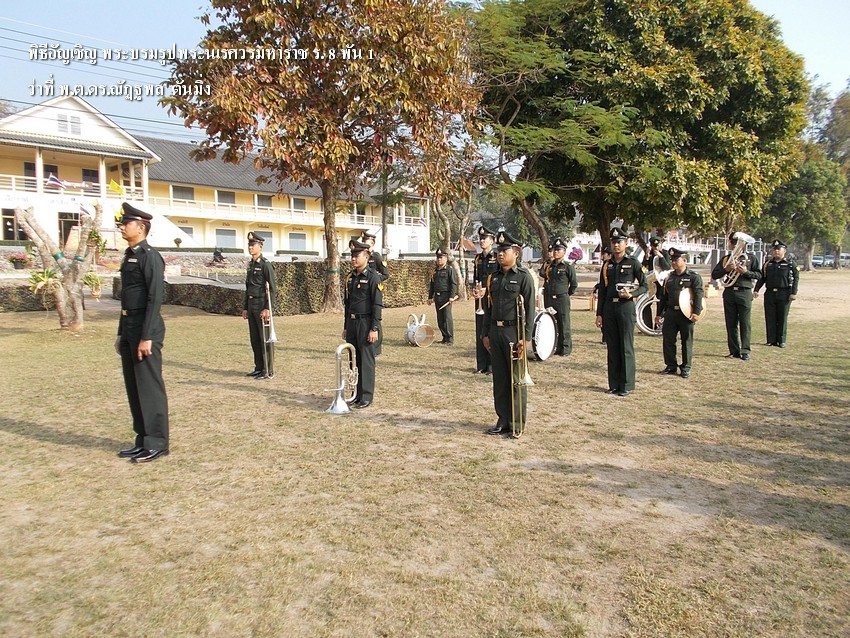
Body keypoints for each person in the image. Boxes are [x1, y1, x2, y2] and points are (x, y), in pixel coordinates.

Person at [114, 202, 169, 463]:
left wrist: (146, 336)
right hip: (129, 327)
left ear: (141, 227)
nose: (122, 227)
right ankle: (143, 439)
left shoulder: (150, 256)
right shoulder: (129, 255)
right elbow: (127, 299)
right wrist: (120, 333)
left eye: (127, 223)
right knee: (134, 386)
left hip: (146, 329)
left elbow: (154, 298)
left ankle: (157, 442)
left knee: (149, 387)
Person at [482, 230, 536, 436]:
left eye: (505, 250)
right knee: (500, 380)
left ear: (516, 253)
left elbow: (530, 309)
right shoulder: (493, 278)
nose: (500, 254)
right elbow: (488, 308)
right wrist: (485, 334)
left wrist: (526, 337)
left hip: (514, 332)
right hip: (495, 331)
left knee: (516, 379)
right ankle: (502, 419)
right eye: (499, 250)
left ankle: (516, 423)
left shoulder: (523, 277)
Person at [595, 227, 648, 396]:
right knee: (612, 347)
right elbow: (602, 291)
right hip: (609, 308)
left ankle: (626, 385)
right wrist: (599, 314)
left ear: (626, 243)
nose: (616, 245)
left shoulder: (633, 263)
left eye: (619, 242)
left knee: (626, 346)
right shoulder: (607, 265)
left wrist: (632, 294)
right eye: (613, 242)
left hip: (626, 307)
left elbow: (645, 285)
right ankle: (614, 384)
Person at [343, 239, 384, 408]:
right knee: (354, 360)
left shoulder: (373, 277)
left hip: (366, 323)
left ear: (366, 256)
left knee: (366, 361)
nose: (353, 259)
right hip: (352, 323)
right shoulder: (350, 278)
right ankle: (356, 394)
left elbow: (377, 305)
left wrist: (374, 328)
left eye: (357, 255)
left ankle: (366, 396)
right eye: (352, 255)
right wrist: (346, 327)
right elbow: (348, 305)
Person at [711, 233, 761, 360]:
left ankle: (745, 351)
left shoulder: (751, 258)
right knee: (731, 323)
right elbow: (715, 275)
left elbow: (759, 275)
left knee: (745, 323)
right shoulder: (726, 259)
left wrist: (746, 272)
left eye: (737, 243)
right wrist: (726, 270)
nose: (734, 245)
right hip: (729, 292)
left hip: (744, 292)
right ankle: (734, 351)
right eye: (733, 242)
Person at [658, 248, 704, 378]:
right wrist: (659, 314)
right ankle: (671, 365)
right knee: (668, 340)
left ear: (684, 260)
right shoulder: (669, 277)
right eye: (672, 260)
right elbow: (663, 297)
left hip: (686, 313)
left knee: (686, 341)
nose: (673, 262)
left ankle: (685, 367)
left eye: (676, 260)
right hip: (671, 312)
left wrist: (696, 312)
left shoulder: (693, 276)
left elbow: (698, 295)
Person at [242, 232, 276, 379]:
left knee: (264, 339)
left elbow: (272, 288)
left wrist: (267, 308)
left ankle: (268, 369)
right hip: (251, 304)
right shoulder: (250, 265)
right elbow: (248, 287)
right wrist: (245, 307)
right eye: (249, 245)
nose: (250, 247)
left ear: (260, 246)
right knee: (255, 339)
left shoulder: (265, 265)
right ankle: (259, 367)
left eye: (253, 245)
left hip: (261, 304)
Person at [754, 239, 799, 348]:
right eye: (774, 249)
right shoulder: (768, 263)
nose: (776, 251)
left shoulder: (790, 264)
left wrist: (793, 293)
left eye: (778, 249)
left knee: (782, 317)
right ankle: (771, 340)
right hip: (770, 293)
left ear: (784, 251)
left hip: (784, 293)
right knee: (770, 317)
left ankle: (781, 340)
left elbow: (796, 278)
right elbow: (762, 278)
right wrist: (756, 289)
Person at [539, 237, 578, 355]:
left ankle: (566, 348)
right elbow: (544, 276)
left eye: (559, 250)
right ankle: (556, 346)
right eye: (555, 250)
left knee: (564, 323)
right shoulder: (550, 266)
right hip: (551, 298)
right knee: (553, 322)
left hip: (562, 298)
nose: (556, 252)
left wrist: (566, 294)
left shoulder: (568, 266)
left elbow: (574, 284)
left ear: (564, 252)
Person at [472, 225, 499, 373]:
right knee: (480, 331)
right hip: (480, 300)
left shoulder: (497, 257)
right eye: (481, 238)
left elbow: (498, 279)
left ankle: (491, 365)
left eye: (485, 238)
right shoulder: (478, 258)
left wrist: (487, 290)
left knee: (490, 331)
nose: (482, 241)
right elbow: (476, 278)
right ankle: (481, 365)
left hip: (491, 298)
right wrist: (474, 289)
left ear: (492, 241)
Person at [361, 229, 388, 355]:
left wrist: (375, 281)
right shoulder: (362, 257)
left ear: (372, 245)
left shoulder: (376, 257)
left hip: (374, 290)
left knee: (375, 317)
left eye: (367, 245)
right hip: (363, 291)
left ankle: (376, 348)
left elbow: (385, 274)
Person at [428, 247, 458, 344]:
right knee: (440, 319)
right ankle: (444, 337)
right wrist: (430, 297)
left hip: (446, 297)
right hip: (438, 297)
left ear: (446, 258)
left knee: (447, 318)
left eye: (441, 258)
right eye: (438, 258)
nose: (439, 260)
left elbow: (453, 283)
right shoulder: (435, 271)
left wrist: (452, 296)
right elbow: (432, 285)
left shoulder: (449, 270)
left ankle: (450, 338)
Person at [641, 235, 671, 330]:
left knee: (661, 303)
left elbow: (667, 267)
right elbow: (643, 267)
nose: (656, 248)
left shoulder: (665, 253)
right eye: (654, 246)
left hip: (661, 282)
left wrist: (661, 256)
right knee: (646, 302)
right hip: (651, 281)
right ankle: (647, 325)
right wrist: (646, 258)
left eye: (658, 245)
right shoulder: (649, 254)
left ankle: (658, 326)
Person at [593, 247, 613, 344]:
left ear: (609, 255)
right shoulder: (604, 265)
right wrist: (597, 287)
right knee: (602, 316)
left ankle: (607, 338)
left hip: (609, 295)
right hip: (603, 293)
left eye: (604, 254)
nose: (602, 256)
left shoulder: (611, 265)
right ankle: (605, 337)